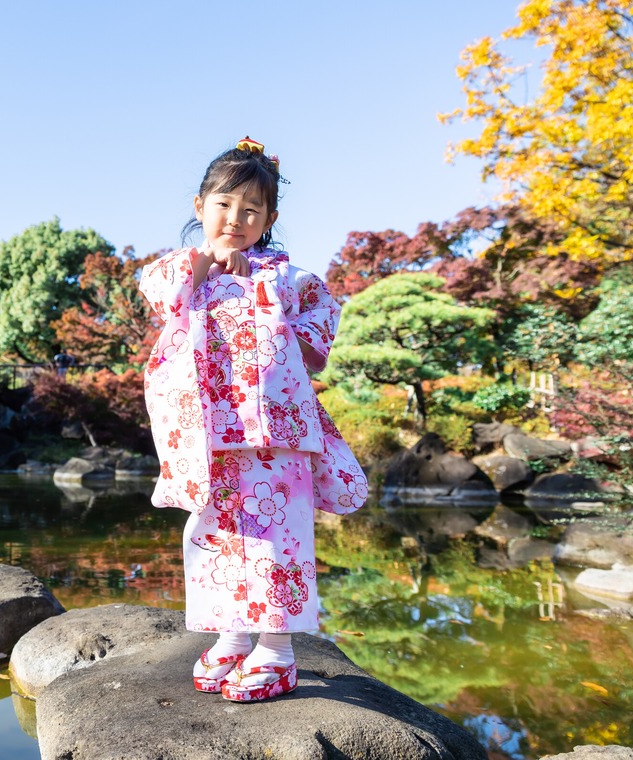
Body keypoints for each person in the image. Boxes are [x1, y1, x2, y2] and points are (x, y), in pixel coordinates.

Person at [139, 137, 367, 703]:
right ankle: (233, 633)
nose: (235, 219)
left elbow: (323, 311)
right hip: (207, 431)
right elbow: (155, 287)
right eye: (223, 204)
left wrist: (273, 309)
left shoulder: (284, 277)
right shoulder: (181, 269)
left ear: (269, 219)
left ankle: (277, 649)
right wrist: (205, 264)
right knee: (217, 530)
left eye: (251, 210)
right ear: (200, 207)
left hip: (275, 429)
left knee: (277, 534)